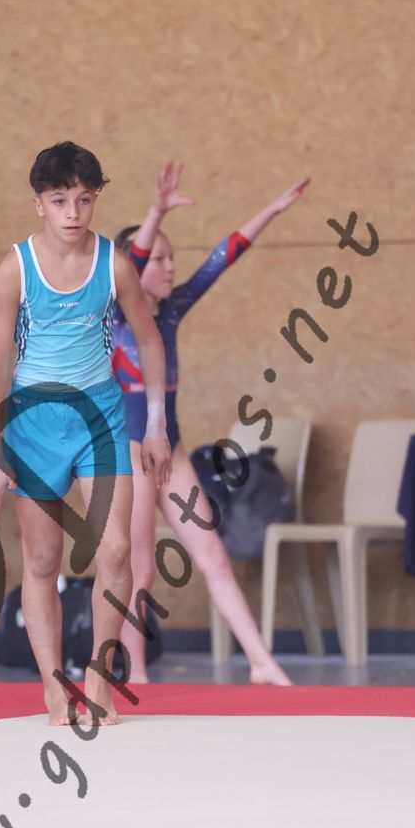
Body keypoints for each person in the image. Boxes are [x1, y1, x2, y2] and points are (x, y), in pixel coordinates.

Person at [0, 141, 172, 727]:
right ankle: (53, 685)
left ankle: (99, 677)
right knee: (42, 557)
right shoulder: (16, 268)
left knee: (116, 550)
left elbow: (150, 341)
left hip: (101, 420)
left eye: (84, 200)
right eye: (59, 200)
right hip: (33, 424)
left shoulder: (114, 265)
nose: (72, 212)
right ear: (39, 203)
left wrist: (155, 425)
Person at [113, 162, 309, 685]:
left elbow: (224, 257)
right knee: (140, 567)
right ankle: (135, 674)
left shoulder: (173, 309)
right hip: (129, 452)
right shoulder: (117, 315)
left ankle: (262, 662)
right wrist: (155, 212)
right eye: (159, 259)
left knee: (213, 554)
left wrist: (272, 210)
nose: (170, 266)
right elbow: (131, 259)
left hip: (171, 452)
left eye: (171, 257)